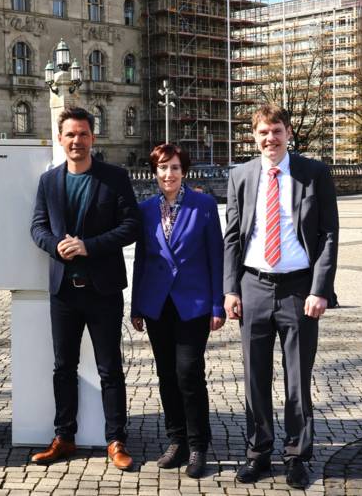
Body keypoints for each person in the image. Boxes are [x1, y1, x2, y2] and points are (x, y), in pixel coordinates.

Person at [223, 104, 339, 489]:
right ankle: (258, 453)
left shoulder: (314, 174)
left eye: (276, 131)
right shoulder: (240, 175)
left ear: (288, 132)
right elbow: (233, 236)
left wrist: (319, 289)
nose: (269, 138)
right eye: (262, 132)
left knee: (296, 379)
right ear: (253, 137)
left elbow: (328, 235)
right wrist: (230, 289)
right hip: (253, 286)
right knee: (255, 378)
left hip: (298, 289)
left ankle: (297, 456)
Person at [30, 107, 141, 469]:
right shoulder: (49, 181)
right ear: (60, 140)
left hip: (103, 289)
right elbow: (37, 226)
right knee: (63, 367)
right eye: (70, 135)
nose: (76, 141)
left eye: (82, 134)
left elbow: (131, 226)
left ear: (93, 137)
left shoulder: (114, 177)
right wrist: (55, 246)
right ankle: (64, 437)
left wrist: (88, 245)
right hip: (63, 290)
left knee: (110, 368)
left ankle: (116, 440)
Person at [130, 143, 225, 479]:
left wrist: (218, 304)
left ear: (183, 170)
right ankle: (177, 441)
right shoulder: (145, 210)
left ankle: (199, 445)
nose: (168, 174)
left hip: (193, 303)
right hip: (157, 304)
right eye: (162, 168)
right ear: (155, 171)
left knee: (188, 372)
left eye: (173, 167)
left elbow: (216, 255)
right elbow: (142, 259)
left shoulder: (204, 205)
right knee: (166, 375)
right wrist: (136, 305)